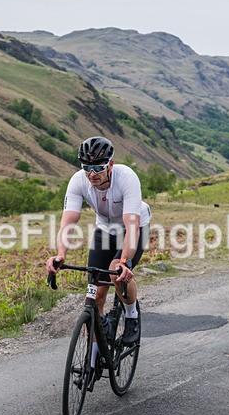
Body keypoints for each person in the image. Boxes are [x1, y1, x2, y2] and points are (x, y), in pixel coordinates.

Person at [45, 136, 151, 346]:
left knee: (116, 270)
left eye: (98, 168)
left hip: (135, 228)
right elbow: (67, 223)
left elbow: (131, 226)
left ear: (110, 164)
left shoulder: (127, 178)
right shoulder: (78, 180)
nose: (92, 174)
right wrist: (60, 254)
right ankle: (92, 361)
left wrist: (124, 262)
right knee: (95, 295)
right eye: (87, 167)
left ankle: (131, 316)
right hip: (105, 228)